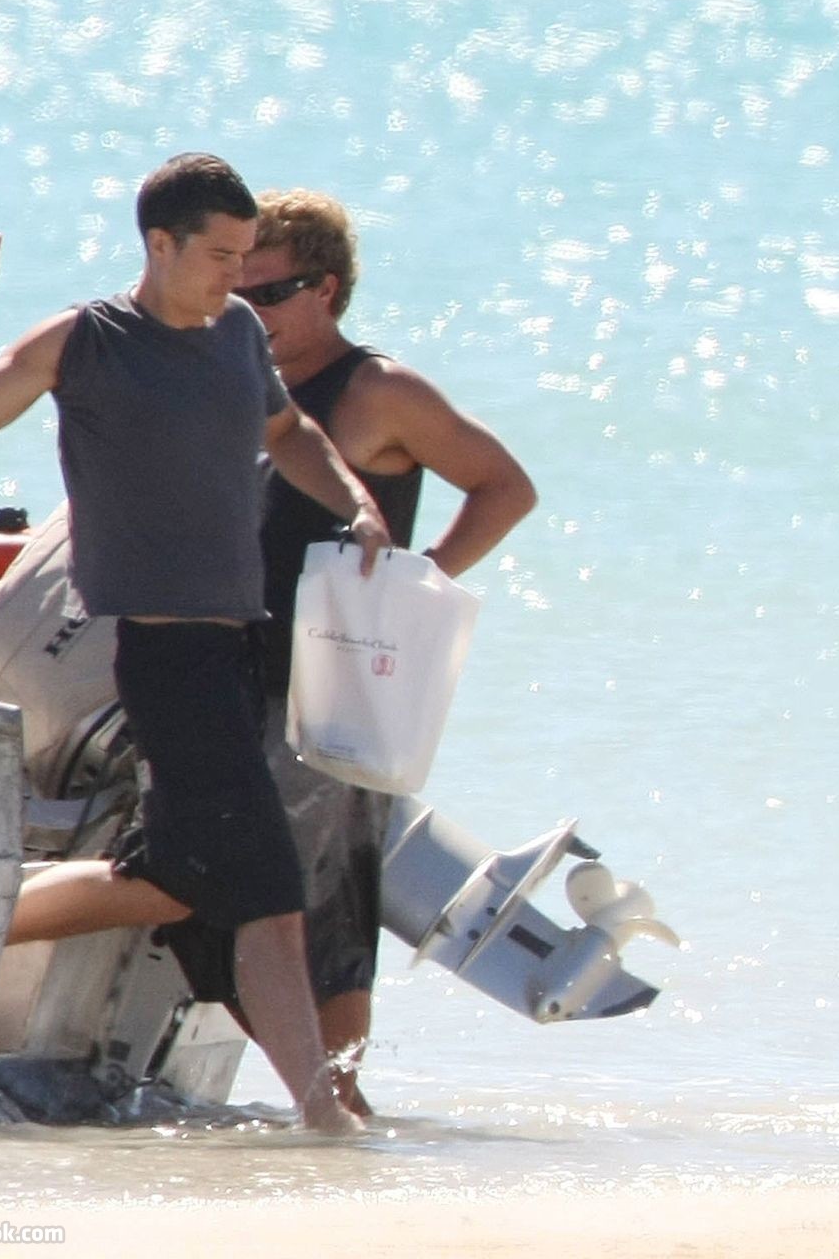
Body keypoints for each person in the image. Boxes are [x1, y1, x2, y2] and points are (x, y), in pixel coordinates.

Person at [0, 153, 390, 1136]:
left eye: (248, 258)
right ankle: (325, 1119)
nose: (237, 277)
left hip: (233, 651)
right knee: (269, 892)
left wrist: (356, 500)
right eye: (221, 256)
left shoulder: (238, 334)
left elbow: (289, 432)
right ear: (160, 245)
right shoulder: (88, 341)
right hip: (166, 662)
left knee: (173, 882)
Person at [154, 187, 537, 1116]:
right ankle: (335, 1103)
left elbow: (505, 486)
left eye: (270, 294)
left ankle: (337, 1099)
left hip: (331, 684)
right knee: (258, 900)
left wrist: (415, 584)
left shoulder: (378, 390)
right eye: (235, 293)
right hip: (234, 667)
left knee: (313, 899)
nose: (248, 313)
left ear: (326, 289)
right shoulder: (239, 377)